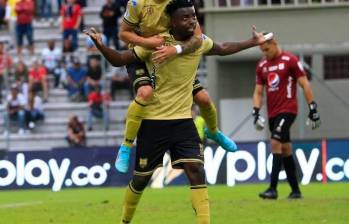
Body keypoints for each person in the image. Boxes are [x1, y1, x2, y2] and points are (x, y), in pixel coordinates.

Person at [86, 0, 267, 222]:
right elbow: (121, 59)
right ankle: (125, 219)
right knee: (141, 180)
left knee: (196, 170)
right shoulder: (157, 44)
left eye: (193, 17)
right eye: (186, 18)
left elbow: (222, 48)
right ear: (171, 22)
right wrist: (100, 45)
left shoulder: (198, 42)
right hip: (153, 123)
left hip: (183, 121)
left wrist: (253, 41)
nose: (192, 21)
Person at [114, 0, 238, 173]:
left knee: (203, 98)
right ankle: (126, 146)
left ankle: (214, 131)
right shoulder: (136, 3)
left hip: (170, 54)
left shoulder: (181, 2)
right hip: (142, 53)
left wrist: (177, 49)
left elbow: (197, 38)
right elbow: (123, 33)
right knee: (145, 92)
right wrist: (147, 42)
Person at [252, 33, 321, 200]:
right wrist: (255, 111)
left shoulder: (290, 60)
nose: (265, 53)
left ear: (274, 43)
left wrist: (313, 107)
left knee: (275, 141)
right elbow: (258, 91)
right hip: (272, 113)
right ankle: (295, 191)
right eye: (262, 51)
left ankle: (272, 189)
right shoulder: (262, 65)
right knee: (285, 149)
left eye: (267, 49)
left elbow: (304, 84)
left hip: (288, 109)